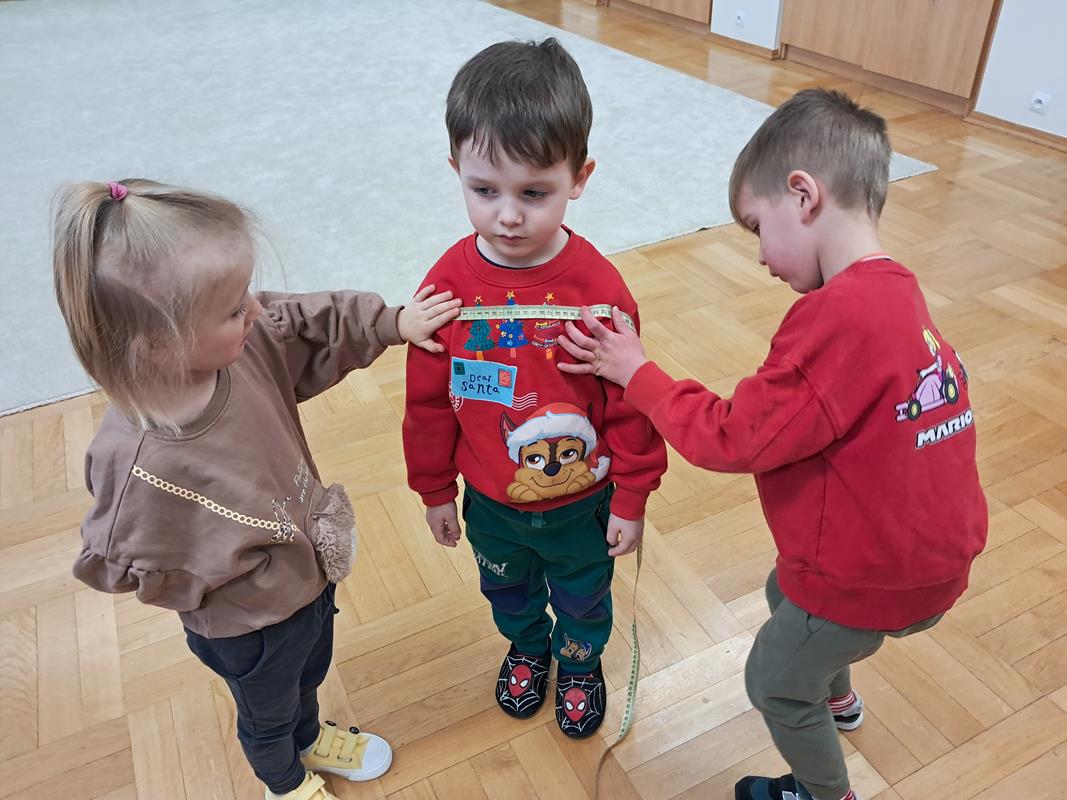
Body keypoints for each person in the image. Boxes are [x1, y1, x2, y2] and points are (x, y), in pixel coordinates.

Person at [556, 89, 988, 799]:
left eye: (757, 227)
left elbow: (731, 438)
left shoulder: (833, 318)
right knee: (782, 588)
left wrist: (637, 373)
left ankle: (826, 793)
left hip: (877, 576)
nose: (759, 255)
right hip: (931, 553)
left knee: (774, 683)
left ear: (803, 195)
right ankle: (838, 700)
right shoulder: (897, 291)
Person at [53, 178, 460, 800]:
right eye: (232, 308)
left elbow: (303, 321)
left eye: (246, 292)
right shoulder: (136, 460)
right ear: (158, 343)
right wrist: (224, 576)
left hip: (307, 582)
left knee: (308, 674)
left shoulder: (235, 346)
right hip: (246, 626)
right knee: (266, 715)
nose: (255, 309)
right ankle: (286, 783)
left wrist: (391, 322)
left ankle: (308, 736)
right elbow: (122, 553)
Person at [402, 39, 667, 739]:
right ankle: (527, 648)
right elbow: (426, 405)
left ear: (579, 177)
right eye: (484, 190)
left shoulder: (599, 292)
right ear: (455, 170)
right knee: (506, 590)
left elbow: (632, 405)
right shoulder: (445, 290)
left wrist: (632, 497)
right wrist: (434, 490)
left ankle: (578, 663)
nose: (508, 216)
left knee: (583, 596)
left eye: (533, 193)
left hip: (584, 503)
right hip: (490, 501)